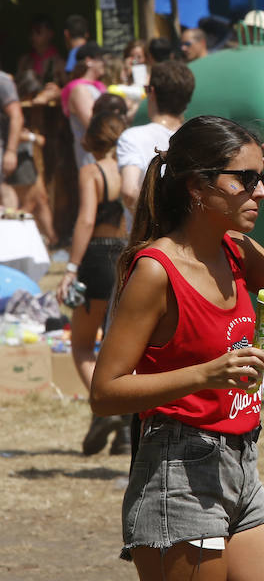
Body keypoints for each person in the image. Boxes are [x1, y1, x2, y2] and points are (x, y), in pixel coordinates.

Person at [90, 115, 264, 579]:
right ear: (197, 187)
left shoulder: (237, 249)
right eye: (245, 180)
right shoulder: (156, 270)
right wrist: (207, 373)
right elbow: (105, 393)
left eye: (262, 178)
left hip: (241, 465)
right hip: (176, 473)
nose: (260, 192)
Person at [56, 111, 130, 454]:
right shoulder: (131, 169)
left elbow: (86, 219)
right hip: (126, 256)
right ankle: (126, 426)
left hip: (97, 258)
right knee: (121, 346)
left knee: (83, 344)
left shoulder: (92, 172)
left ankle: (104, 409)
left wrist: (71, 267)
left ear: (90, 141)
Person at [118, 60, 195, 217]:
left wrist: (158, 226)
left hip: (149, 238)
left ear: (151, 92)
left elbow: (129, 192)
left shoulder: (132, 137)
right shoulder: (197, 137)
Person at [61, 42, 107, 167]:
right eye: (100, 59)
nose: (104, 62)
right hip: (92, 160)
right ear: (89, 61)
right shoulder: (80, 90)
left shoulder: (96, 87)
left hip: (104, 158)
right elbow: (94, 125)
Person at [15, 14, 66, 105]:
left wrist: (57, 92)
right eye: (31, 33)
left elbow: (69, 90)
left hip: (50, 114)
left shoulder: (59, 62)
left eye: (38, 32)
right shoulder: (24, 61)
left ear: (50, 34)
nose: (33, 37)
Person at [1, 68, 24, 209]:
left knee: (3, 188)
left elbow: (17, 116)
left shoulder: (2, 81)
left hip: (2, 148)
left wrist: (11, 151)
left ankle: (9, 229)